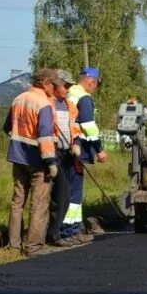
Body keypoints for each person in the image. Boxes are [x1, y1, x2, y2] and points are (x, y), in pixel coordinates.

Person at [2, 68, 58, 256]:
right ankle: (33, 247)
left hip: (18, 158)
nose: (54, 89)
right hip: (38, 161)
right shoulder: (43, 104)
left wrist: (20, 141)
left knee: (17, 202)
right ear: (45, 83)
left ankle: (13, 244)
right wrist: (51, 162)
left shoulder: (18, 99)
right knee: (39, 204)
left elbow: (7, 127)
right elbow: (45, 136)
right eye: (53, 85)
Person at [47, 69, 94, 246]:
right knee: (63, 195)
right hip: (53, 154)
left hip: (68, 151)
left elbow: (74, 127)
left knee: (64, 194)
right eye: (64, 86)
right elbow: (88, 127)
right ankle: (62, 232)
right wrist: (98, 149)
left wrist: (75, 143)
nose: (67, 89)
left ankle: (64, 231)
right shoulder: (48, 103)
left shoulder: (68, 103)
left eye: (68, 86)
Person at [66, 66, 108, 235]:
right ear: (91, 82)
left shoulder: (69, 94)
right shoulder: (84, 98)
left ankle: (66, 228)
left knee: (65, 189)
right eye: (96, 85)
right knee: (75, 192)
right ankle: (71, 230)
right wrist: (99, 150)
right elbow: (89, 127)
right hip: (78, 149)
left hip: (64, 147)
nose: (95, 89)